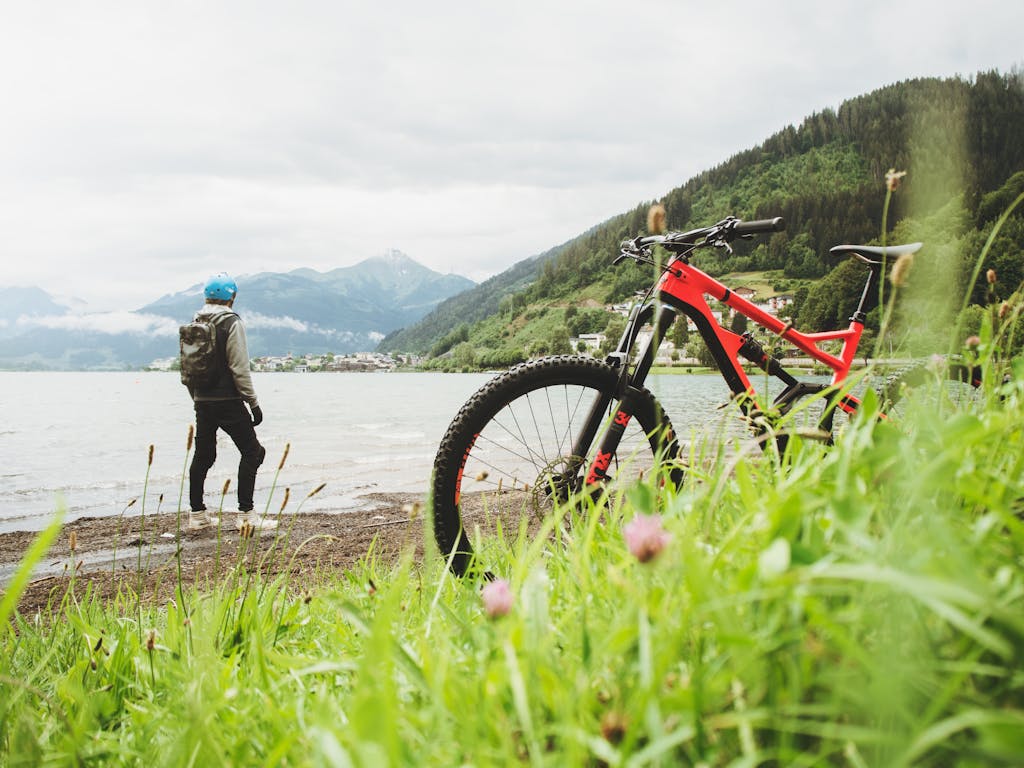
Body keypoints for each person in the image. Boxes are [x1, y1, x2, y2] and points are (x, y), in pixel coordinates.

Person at [186, 273, 276, 532]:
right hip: (228, 400)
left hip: (201, 399)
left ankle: (198, 515)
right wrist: (253, 402)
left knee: (204, 455)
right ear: (232, 298)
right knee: (253, 452)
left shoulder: (195, 322)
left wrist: (196, 398)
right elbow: (239, 368)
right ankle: (246, 515)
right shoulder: (231, 322)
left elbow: (189, 366)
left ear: (206, 297)